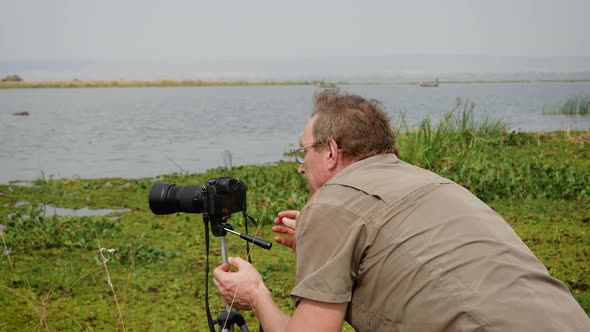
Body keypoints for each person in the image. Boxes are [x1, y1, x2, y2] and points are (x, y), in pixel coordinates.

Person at [213, 88, 590, 331]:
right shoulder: (430, 181)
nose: (300, 164)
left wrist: (256, 294)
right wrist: (322, 248)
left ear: (330, 151)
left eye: (303, 151)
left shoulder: (331, 202)